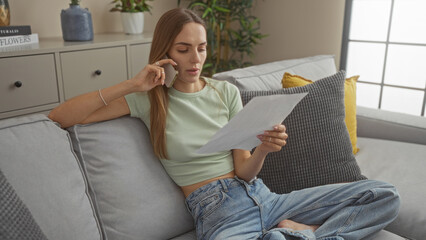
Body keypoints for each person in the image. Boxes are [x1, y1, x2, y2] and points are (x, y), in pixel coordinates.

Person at [48, 8, 400, 240]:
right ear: (165, 50)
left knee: (385, 195)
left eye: (201, 48)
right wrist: (132, 83)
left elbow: (244, 171)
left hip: (263, 196)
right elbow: (61, 117)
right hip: (218, 214)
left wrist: (262, 146)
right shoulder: (149, 100)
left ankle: (303, 233)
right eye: (184, 49)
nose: (195, 59)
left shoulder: (225, 92)